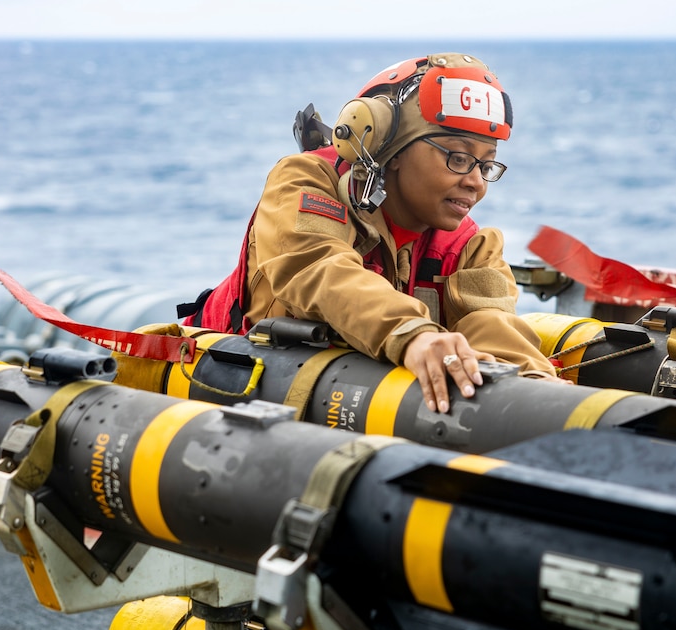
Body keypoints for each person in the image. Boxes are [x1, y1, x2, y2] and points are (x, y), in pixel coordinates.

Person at [183, 52, 563, 414]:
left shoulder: (470, 244)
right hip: (216, 382)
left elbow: (493, 326)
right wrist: (415, 336)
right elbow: (320, 269)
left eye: (487, 164)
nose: (476, 183)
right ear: (391, 149)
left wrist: (538, 388)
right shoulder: (307, 182)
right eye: (458, 158)